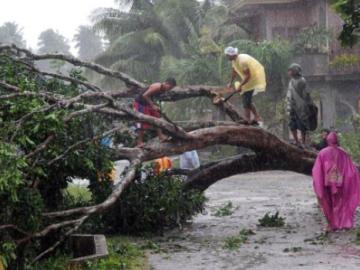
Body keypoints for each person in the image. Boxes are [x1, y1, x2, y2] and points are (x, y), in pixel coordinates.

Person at [312, 132, 360, 231]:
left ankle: (332, 224)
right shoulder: (343, 152)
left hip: (327, 184)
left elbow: (317, 170)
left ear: (328, 140)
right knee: (341, 203)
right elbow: (350, 169)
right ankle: (344, 223)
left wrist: (318, 184)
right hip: (340, 183)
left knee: (329, 203)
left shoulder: (322, 152)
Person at [224, 46, 267, 125]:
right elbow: (234, 71)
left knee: (246, 101)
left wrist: (240, 86)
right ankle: (257, 116)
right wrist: (230, 82)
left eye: (227, 55)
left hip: (252, 80)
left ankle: (248, 120)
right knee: (247, 100)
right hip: (248, 80)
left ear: (232, 55)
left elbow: (248, 76)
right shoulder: (234, 61)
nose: (226, 57)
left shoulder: (242, 61)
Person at [134, 78, 177, 147]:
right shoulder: (157, 86)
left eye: (171, 88)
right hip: (140, 103)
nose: (169, 89)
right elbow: (145, 95)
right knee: (141, 123)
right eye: (170, 87)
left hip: (148, 104)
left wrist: (156, 106)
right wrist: (153, 105)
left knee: (157, 117)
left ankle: (161, 137)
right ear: (166, 83)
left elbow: (153, 97)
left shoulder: (163, 89)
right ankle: (139, 142)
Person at [286, 63, 313, 147]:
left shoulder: (302, 81)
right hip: (292, 106)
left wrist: (307, 105)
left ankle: (303, 142)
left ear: (295, 71)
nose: (289, 72)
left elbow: (306, 94)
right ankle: (296, 141)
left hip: (301, 107)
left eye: (290, 71)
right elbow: (289, 93)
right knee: (292, 124)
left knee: (302, 125)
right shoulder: (291, 81)